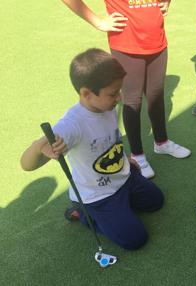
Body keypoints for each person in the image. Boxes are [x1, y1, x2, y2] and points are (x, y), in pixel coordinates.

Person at [20, 49, 164, 250]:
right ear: (86, 94)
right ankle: (82, 212)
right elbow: (26, 164)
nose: (119, 97)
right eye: (113, 93)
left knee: (156, 201)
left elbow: (110, 140)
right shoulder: (71, 126)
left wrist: (125, 159)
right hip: (97, 195)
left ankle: (119, 211)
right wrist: (38, 147)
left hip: (123, 177)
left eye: (119, 91)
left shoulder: (107, 106)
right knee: (135, 240)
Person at [61, 0, 191, 179]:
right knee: (132, 101)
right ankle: (138, 155)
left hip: (157, 40)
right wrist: (98, 22)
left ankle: (161, 142)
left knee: (156, 95)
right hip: (127, 44)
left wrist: (166, 2)